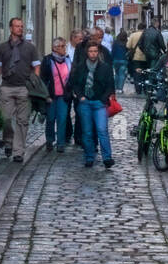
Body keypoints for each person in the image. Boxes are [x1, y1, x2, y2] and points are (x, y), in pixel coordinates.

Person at [0, 17, 41, 162]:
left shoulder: (30, 47)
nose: (20, 29)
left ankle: (18, 151)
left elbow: (37, 67)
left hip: (24, 88)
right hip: (7, 87)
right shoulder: (3, 48)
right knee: (6, 119)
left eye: (21, 26)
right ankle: (8, 142)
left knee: (22, 121)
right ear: (11, 28)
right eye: (17, 26)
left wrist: (34, 83)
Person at [69, 41, 115, 169]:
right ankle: (89, 157)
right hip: (85, 103)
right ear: (87, 53)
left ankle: (107, 157)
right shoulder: (80, 67)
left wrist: (103, 99)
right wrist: (80, 96)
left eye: (95, 51)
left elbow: (110, 85)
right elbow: (75, 83)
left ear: (98, 52)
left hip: (99, 103)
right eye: (90, 51)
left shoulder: (105, 67)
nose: (93, 54)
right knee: (87, 132)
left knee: (102, 130)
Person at [40, 38, 71, 153]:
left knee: (62, 119)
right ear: (55, 48)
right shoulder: (48, 60)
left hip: (64, 95)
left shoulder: (68, 60)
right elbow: (43, 79)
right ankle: (49, 140)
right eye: (62, 46)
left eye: (64, 46)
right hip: (51, 95)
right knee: (50, 119)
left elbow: (70, 77)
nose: (64, 48)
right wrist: (45, 95)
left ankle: (60, 143)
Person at [127, 22, 147, 91]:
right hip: (146, 57)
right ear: (144, 28)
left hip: (136, 57)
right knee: (145, 73)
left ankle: (138, 89)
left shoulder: (133, 35)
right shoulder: (146, 34)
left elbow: (128, 46)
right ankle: (145, 88)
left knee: (137, 73)